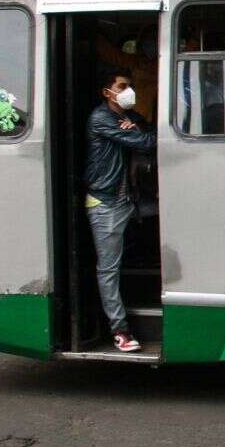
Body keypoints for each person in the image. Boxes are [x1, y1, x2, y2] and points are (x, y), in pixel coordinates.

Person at [85, 71, 157, 353]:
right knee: (108, 268)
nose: (129, 91)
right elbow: (147, 142)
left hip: (132, 200)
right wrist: (136, 132)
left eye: (130, 86)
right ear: (107, 92)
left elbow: (151, 132)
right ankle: (120, 331)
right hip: (106, 202)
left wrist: (136, 128)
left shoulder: (132, 117)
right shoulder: (101, 119)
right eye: (122, 87)